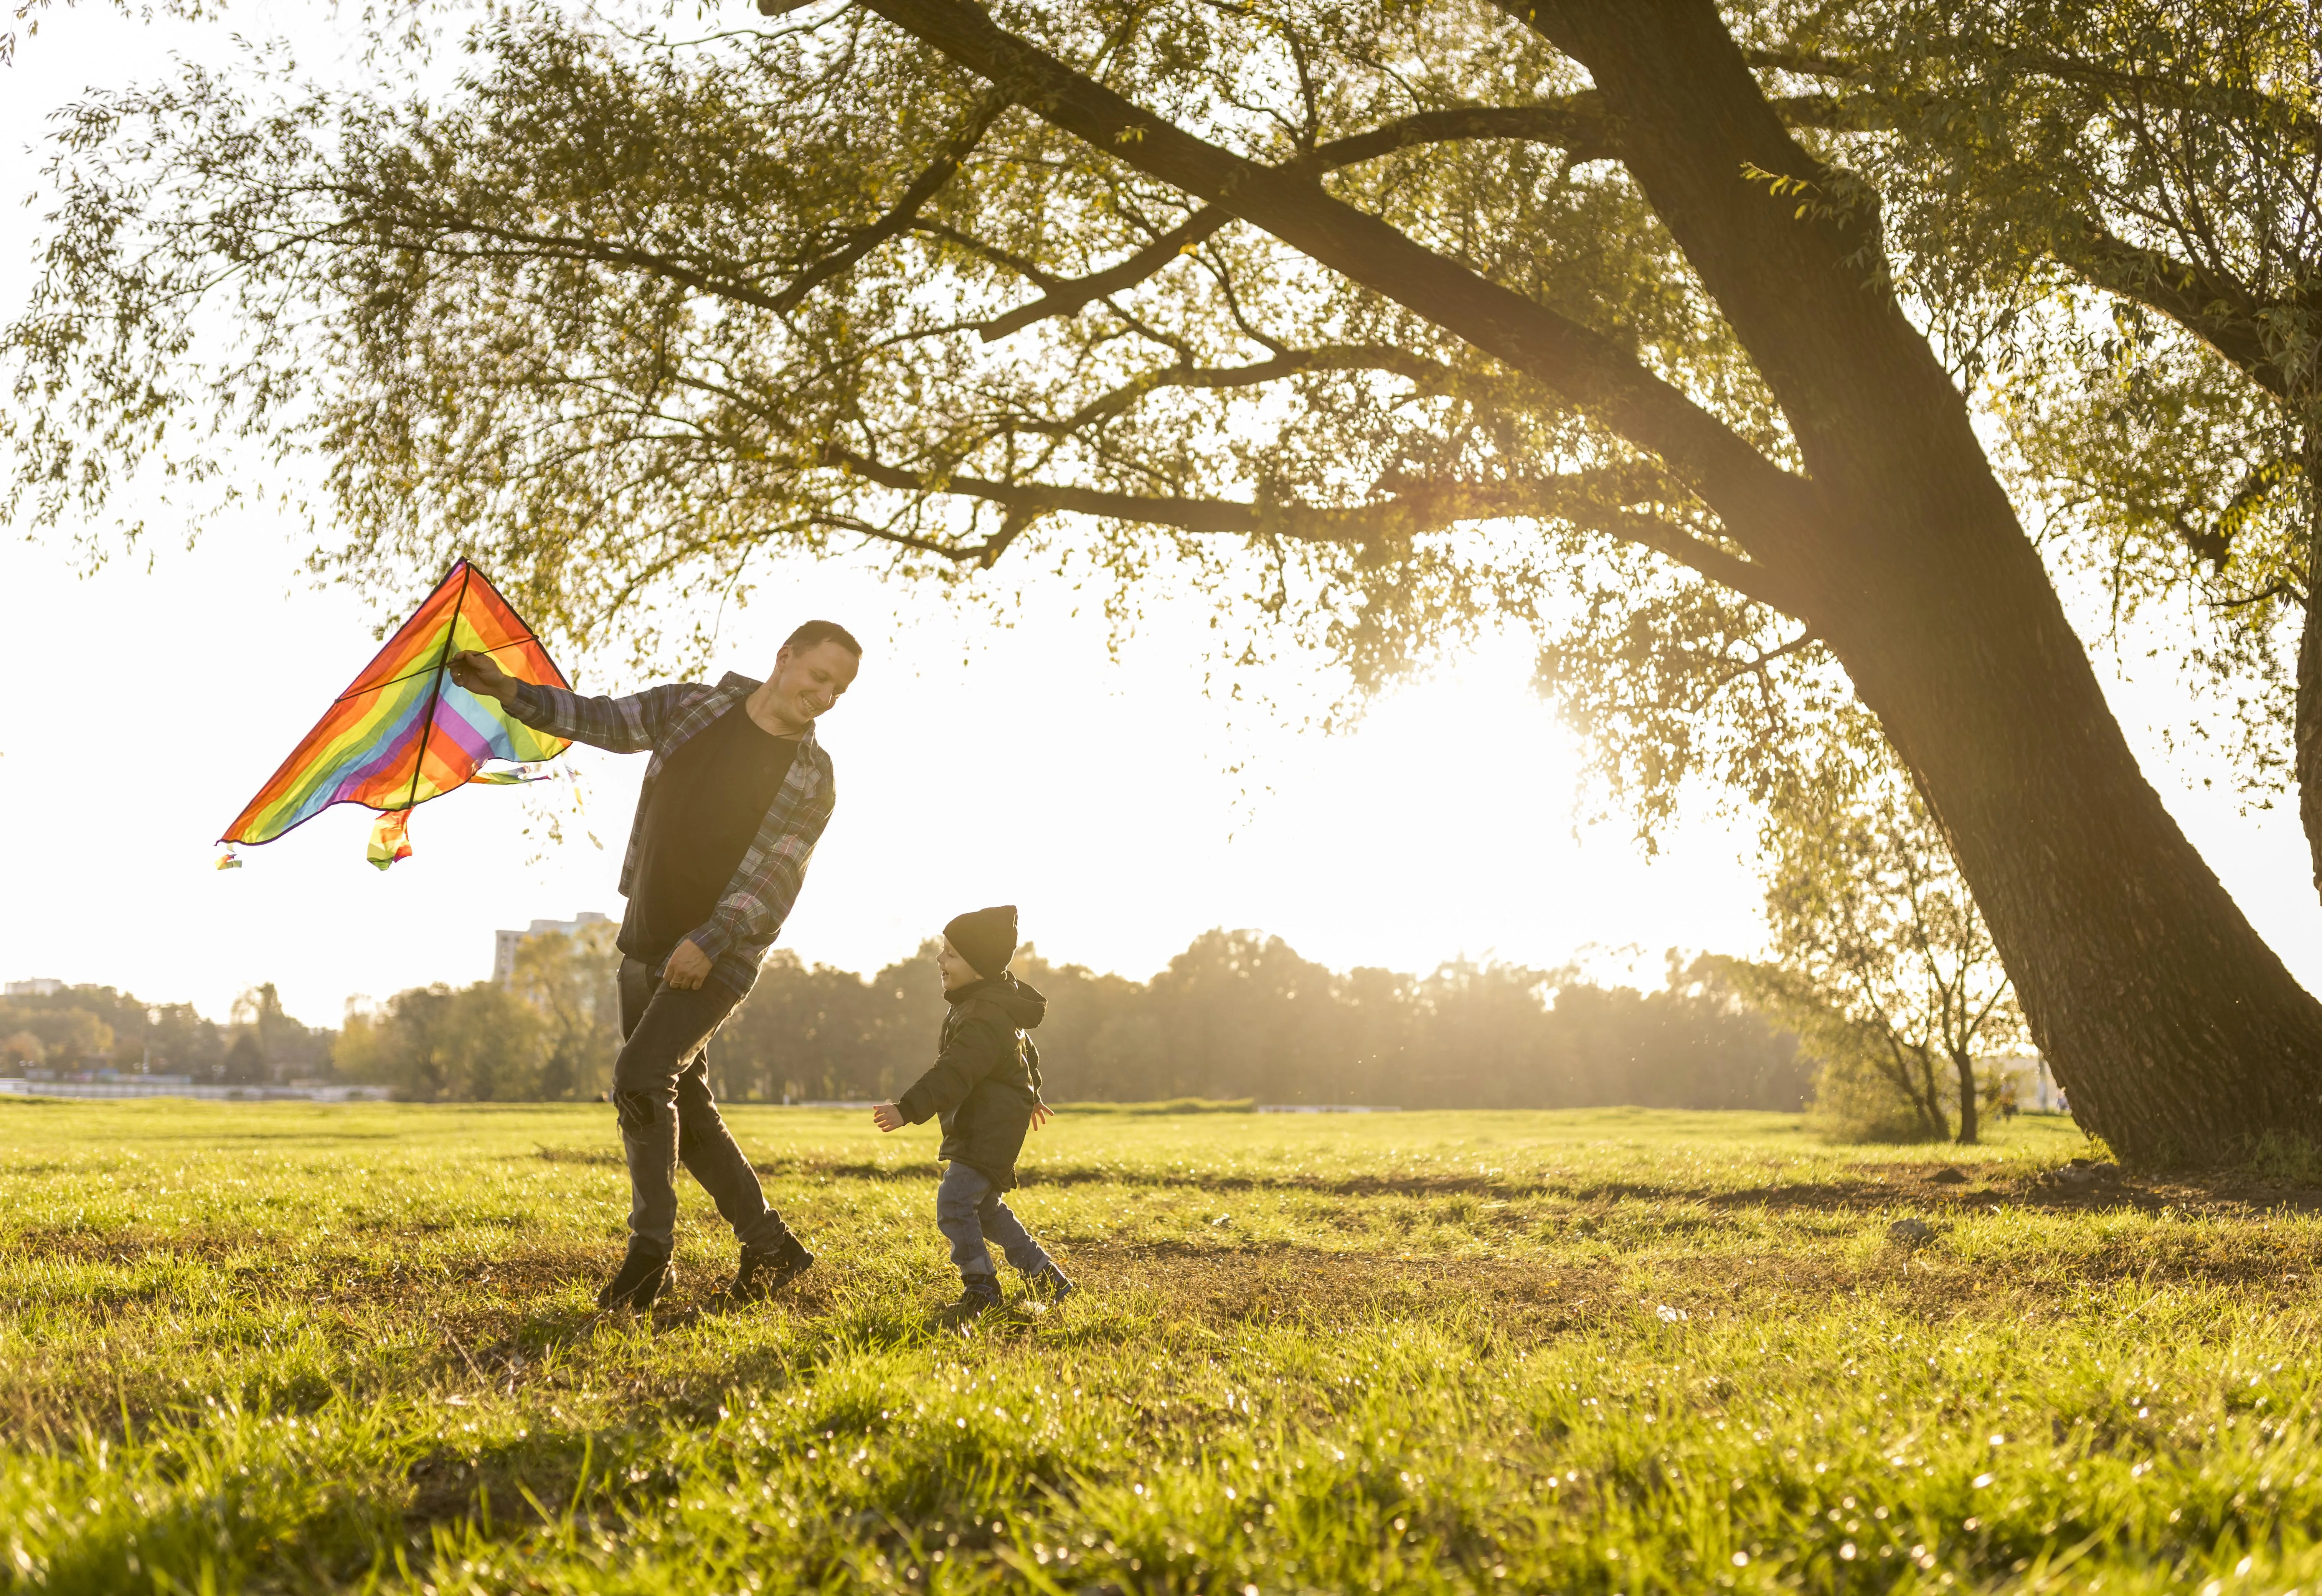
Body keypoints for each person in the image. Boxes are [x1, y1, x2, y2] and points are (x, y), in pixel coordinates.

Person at [447, 621, 861, 1312]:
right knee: (684, 1106)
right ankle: (771, 1247)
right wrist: (508, 690)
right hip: (645, 937)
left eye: (839, 690)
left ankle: (650, 1256)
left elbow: (777, 875)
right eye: (819, 677)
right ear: (784, 656)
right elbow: (605, 721)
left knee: (640, 1081)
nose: (825, 696)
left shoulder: (813, 775)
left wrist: (712, 939)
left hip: (721, 952)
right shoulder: (691, 707)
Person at [872, 906, 1073, 1314]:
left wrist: (907, 1109)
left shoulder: (983, 1015)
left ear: (979, 968)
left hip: (986, 1130)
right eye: (943, 950)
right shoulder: (986, 1004)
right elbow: (1024, 1053)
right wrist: (1032, 1092)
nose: (940, 959)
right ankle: (1045, 1275)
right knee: (984, 1208)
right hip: (989, 1126)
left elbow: (955, 1071)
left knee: (954, 1204)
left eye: (952, 953)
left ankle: (981, 1286)